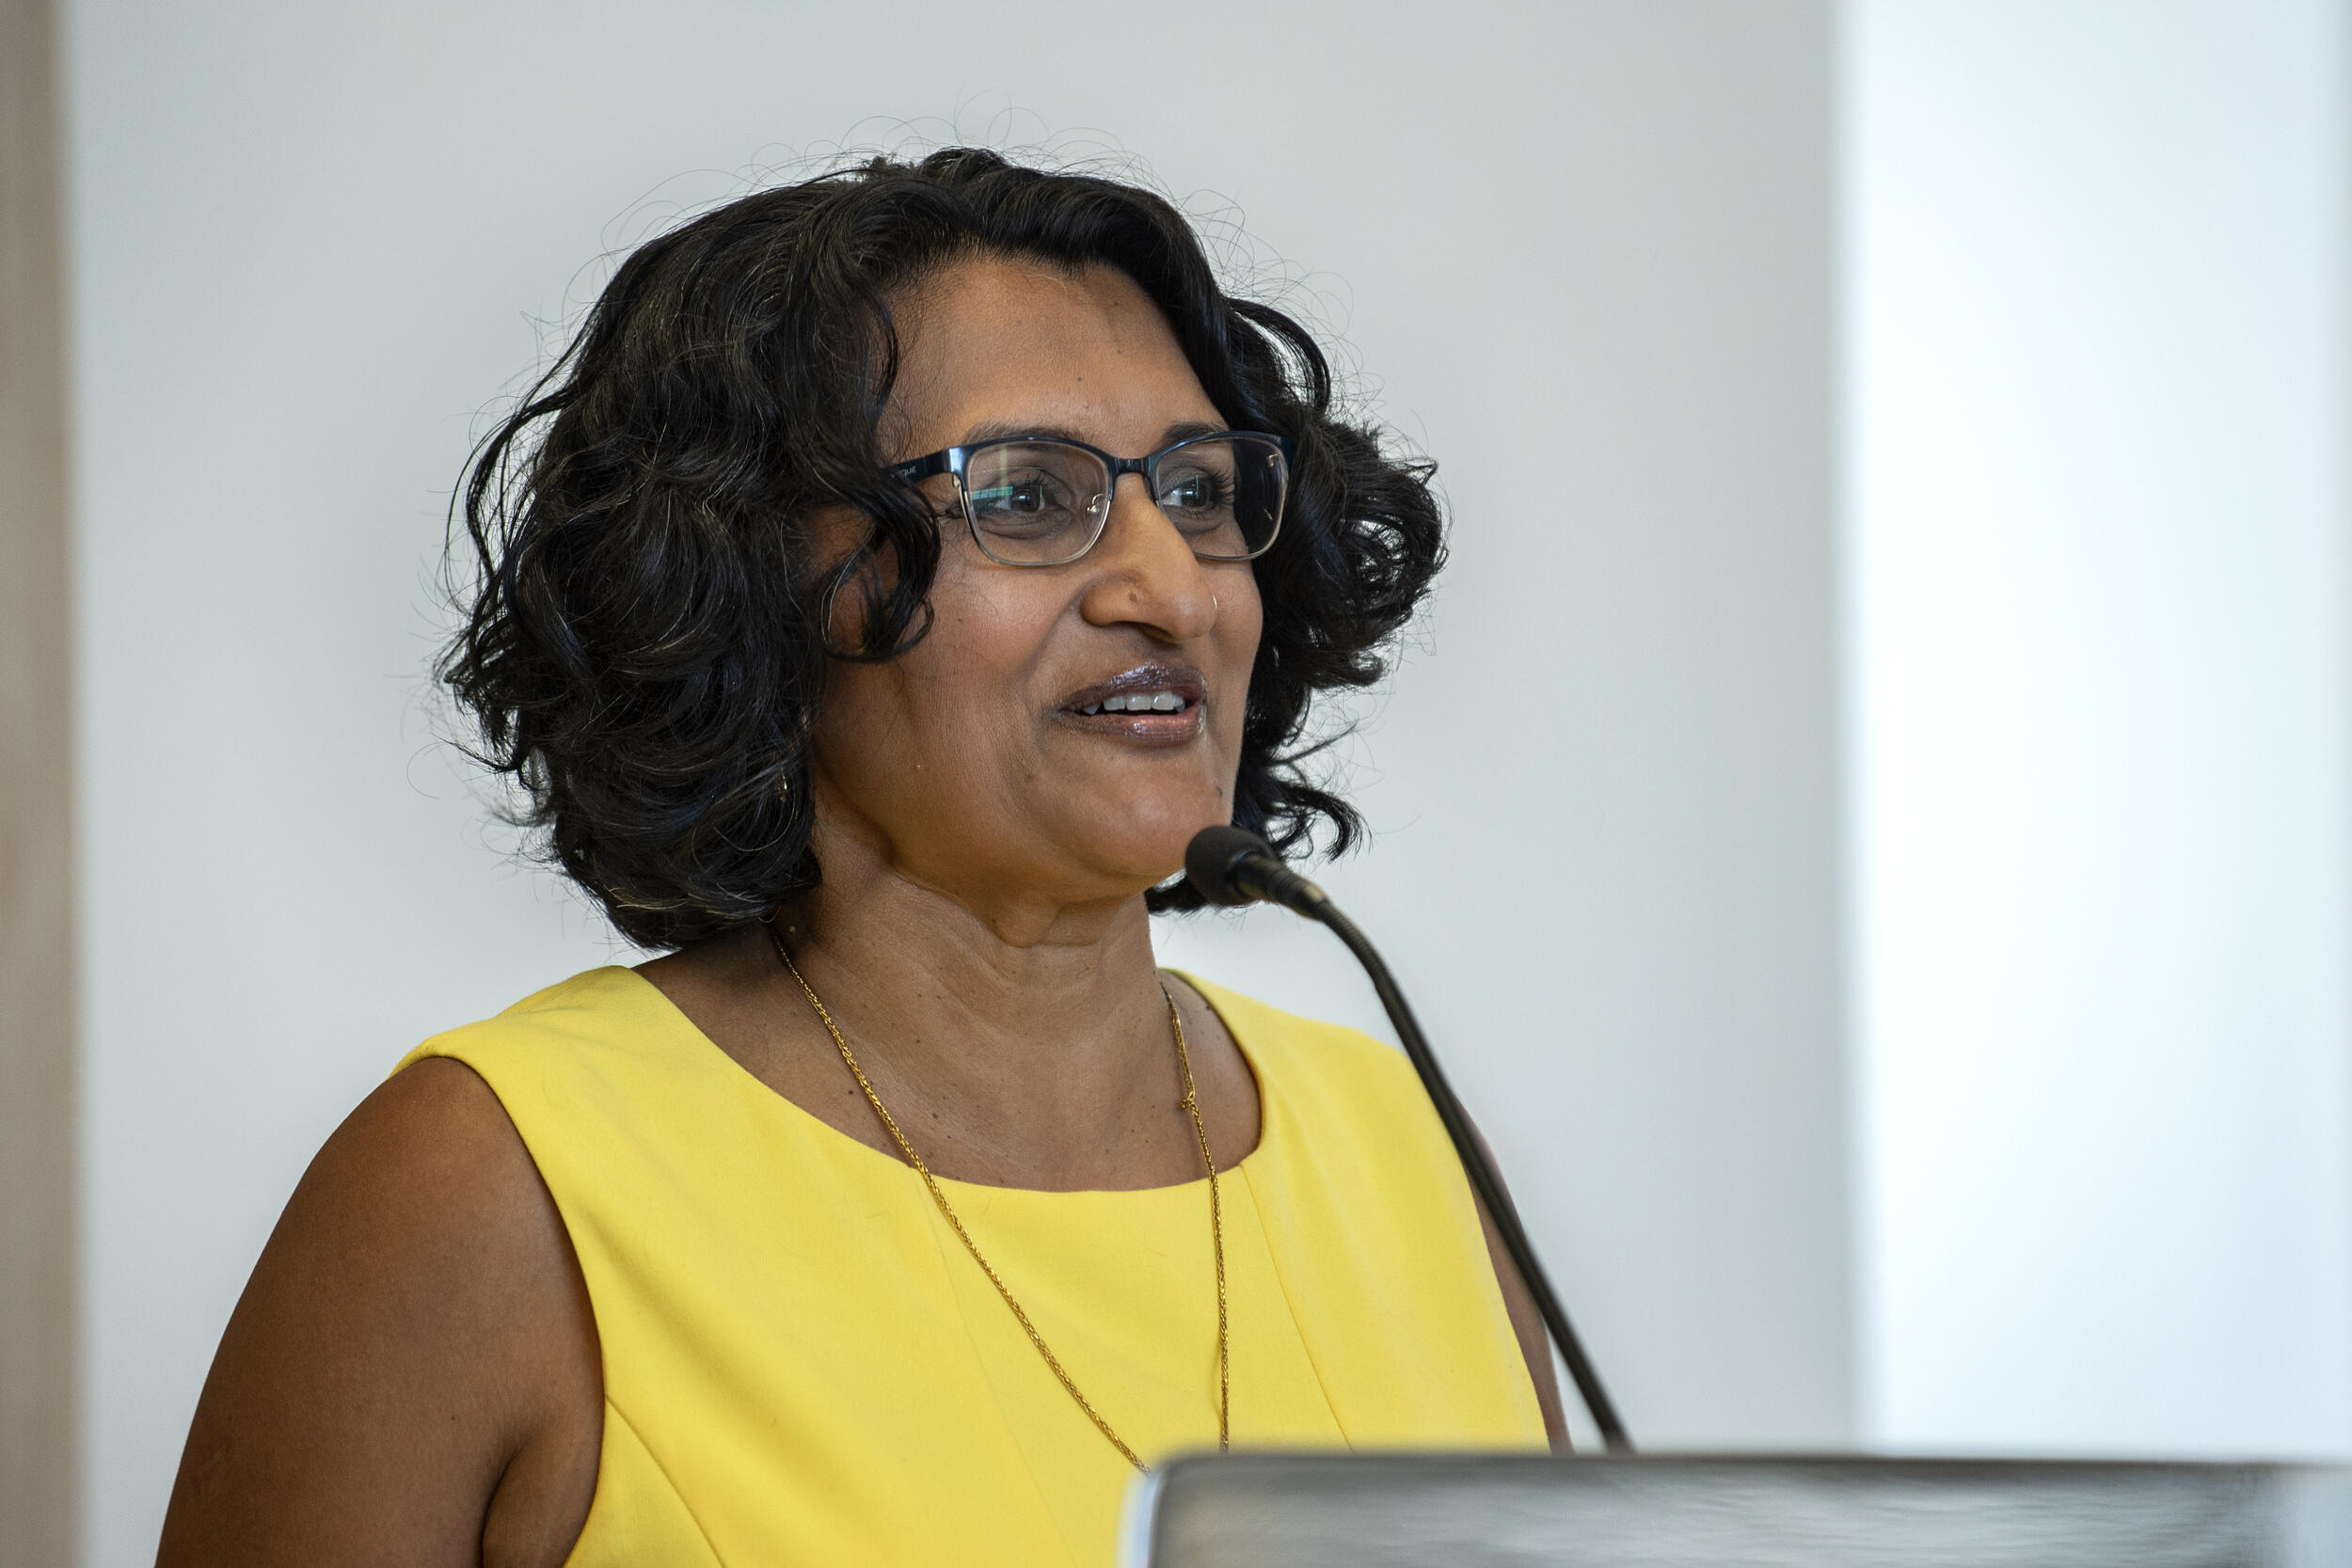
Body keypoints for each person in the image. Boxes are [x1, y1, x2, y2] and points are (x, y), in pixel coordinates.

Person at [157, 148, 1562, 1568]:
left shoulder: (1409, 1155)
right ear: (753, 579)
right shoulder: (488, 1186)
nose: (1174, 590)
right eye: (1026, 497)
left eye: (1198, 492)